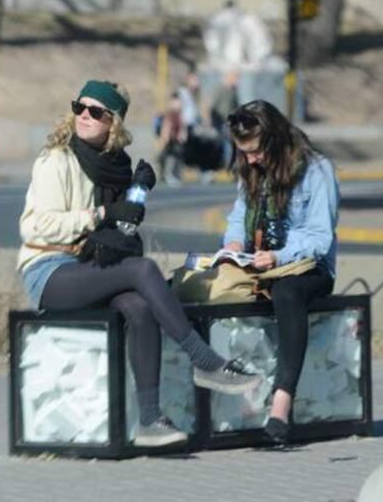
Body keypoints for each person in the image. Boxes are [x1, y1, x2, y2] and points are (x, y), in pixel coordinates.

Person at [17, 79, 261, 448]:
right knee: (144, 270)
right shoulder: (58, 159)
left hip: (87, 267)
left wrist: (134, 199)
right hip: (49, 270)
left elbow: (119, 229)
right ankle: (203, 360)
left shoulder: (115, 167)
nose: (84, 116)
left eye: (95, 112)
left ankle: (150, 420)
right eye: (79, 108)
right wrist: (101, 213)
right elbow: (37, 226)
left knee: (139, 305)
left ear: (113, 122)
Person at [221, 99, 339, 444]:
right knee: (215, 286)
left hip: (307, 268)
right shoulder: (251, 170)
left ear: (275, 140)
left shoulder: (317, 170)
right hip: (261, 263)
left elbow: (320, 238)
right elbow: (238, 216)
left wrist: (279, 257)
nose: (251, 159)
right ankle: (237, 398)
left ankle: (281, 400)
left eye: (256, 151)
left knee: (286, 292)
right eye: (244, 153)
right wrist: (233, 245)